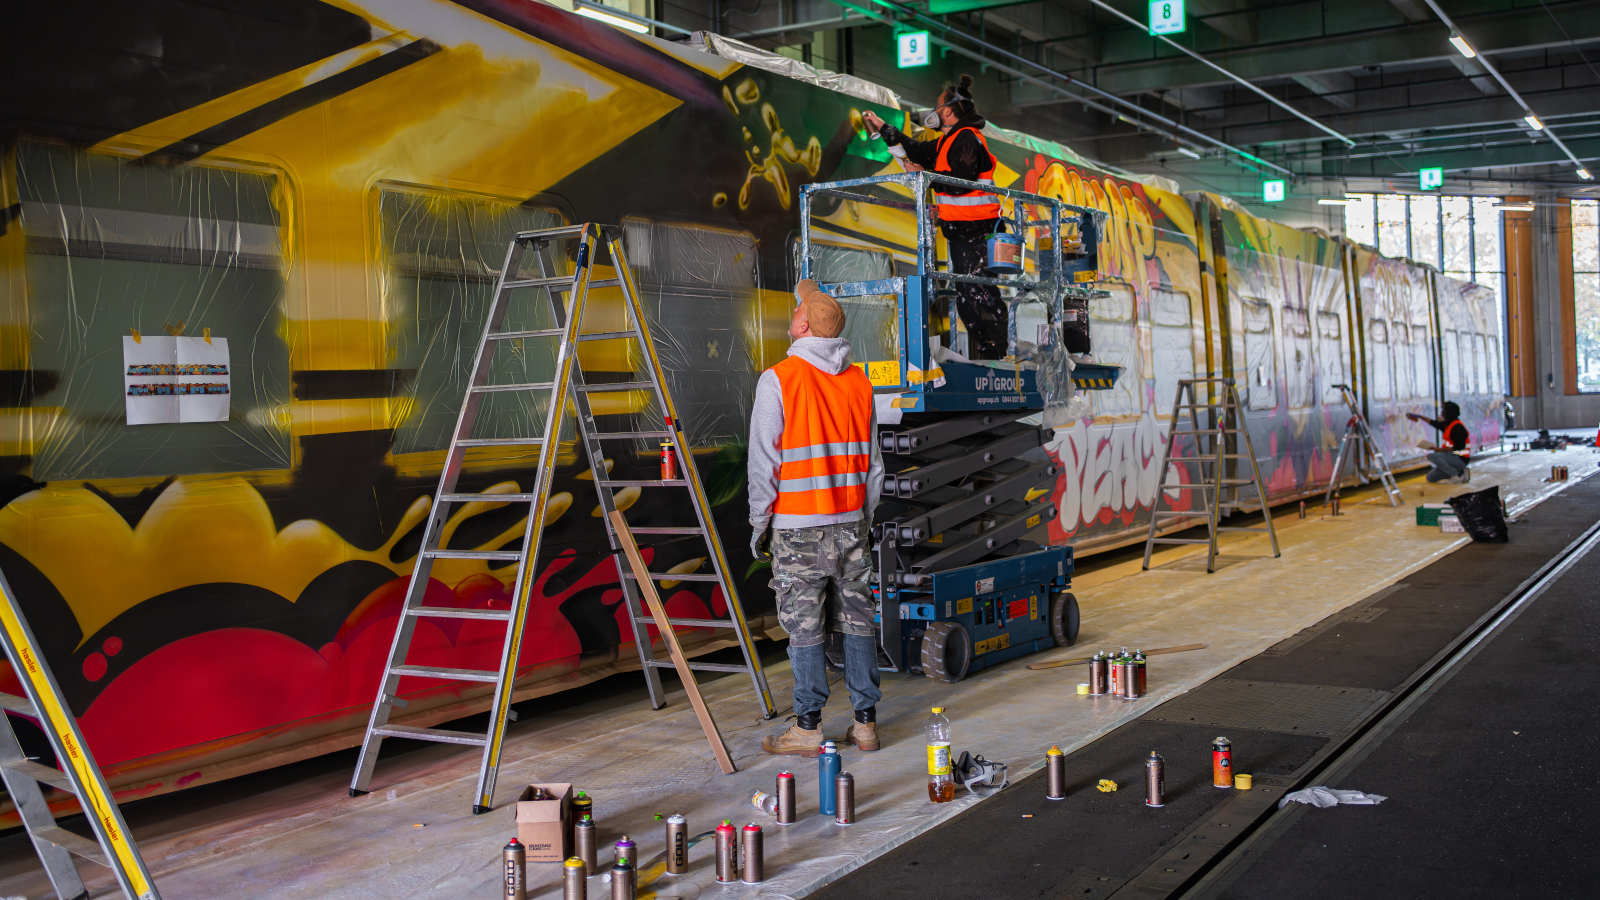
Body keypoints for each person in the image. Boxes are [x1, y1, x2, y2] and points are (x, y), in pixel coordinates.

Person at [749, 279, 886, 756]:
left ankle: (808, 727)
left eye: (796, 311)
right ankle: (865, 724)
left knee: (804, 626)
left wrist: (759, 523)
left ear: (803, 325)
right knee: (857, 619)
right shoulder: (860, 383)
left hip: (797, 530)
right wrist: (862, 521)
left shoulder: (779, 379)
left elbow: (763, 463)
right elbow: (874, 467)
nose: (791, 316)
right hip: (850, 525)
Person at [861, 75, 1007, 359]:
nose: (934, 111)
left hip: (977, 231)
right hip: (962, 232)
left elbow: (961, 181)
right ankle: (993, 356)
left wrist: (925, 175)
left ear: (948, 110)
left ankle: (1001, 356)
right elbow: (916, 150)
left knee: (980, 297)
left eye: (938, 105)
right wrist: (885, 129)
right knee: (969, 299)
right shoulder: (947, 142)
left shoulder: (967, 138)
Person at [1407, 402, 1471, 484]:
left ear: (1449, 411)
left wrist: (1439, 450)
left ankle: (1456, 475)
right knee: (1430, 478)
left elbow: (1459, 446)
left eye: (1443, 409)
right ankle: (1461, 472)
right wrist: (1419, 416)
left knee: (1431, 456)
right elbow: (1434, 423)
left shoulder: (1458, 427)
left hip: (1460, 459)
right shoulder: (1448, 425)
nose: (1442, 412)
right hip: (1451, 458)